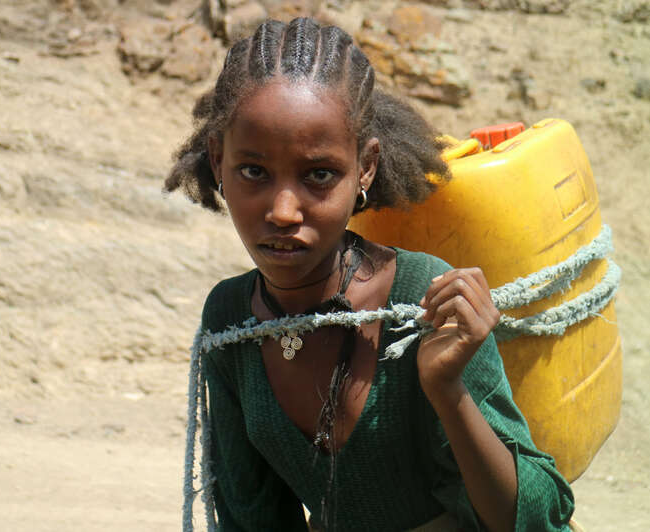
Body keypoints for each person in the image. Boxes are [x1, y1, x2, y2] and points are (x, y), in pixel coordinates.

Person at [165, 17, 575, 532]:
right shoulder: (230, 320)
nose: (283, 211)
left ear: (365, 168)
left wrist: (447, 390)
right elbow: (251, 517)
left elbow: (539, 517)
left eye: (319, 174)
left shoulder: (423, 298)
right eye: (254, 171)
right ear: (218, 160)